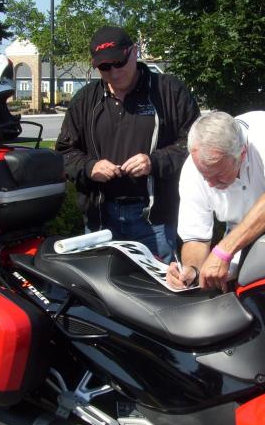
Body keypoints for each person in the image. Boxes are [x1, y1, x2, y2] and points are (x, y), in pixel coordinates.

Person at [55, 26, 200, 261]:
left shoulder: (168, 91)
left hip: (154, 220)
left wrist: (154, 162)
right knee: (98, 293)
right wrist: (89, 167)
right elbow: (65, 152)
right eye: (104, 67)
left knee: (157, 293)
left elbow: (195, 145)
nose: (113, 72)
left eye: (118, 63)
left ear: (133, 52)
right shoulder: (85, 100)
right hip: (100, 221)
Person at [167, 111, 265, 291]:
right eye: (205, 176)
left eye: (218, 176)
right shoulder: (192, 171)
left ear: (241, 155)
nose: (210, 183)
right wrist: (192, 271)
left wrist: (222, 251)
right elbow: (196, 237)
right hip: (241, 236)